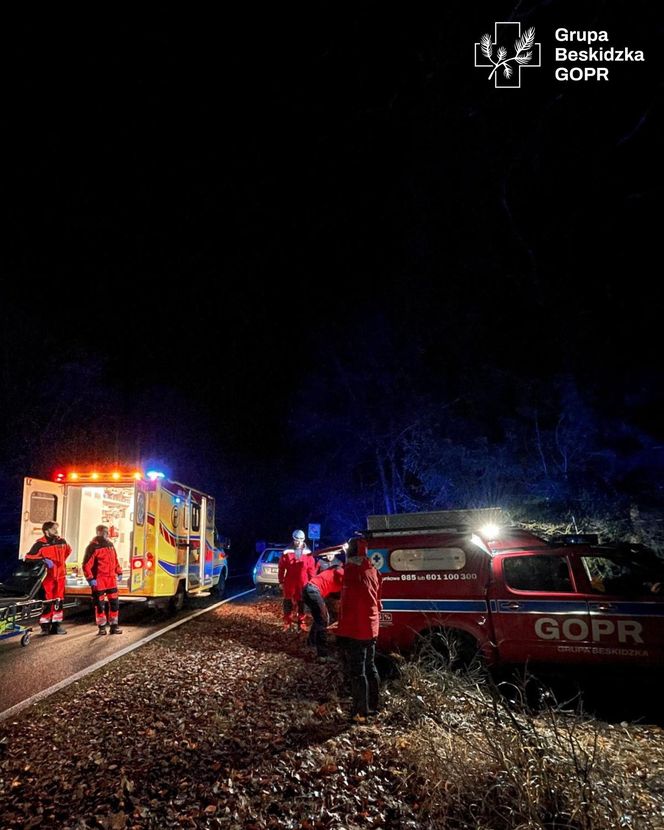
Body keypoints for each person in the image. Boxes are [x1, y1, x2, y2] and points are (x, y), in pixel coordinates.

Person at [335, 537, 382, 722]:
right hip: (371, 627)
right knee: (370, 667)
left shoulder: (351, 571)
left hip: (357, 629)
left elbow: (347, 604)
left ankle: (360, 712)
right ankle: (374, 706)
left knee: (358, 671)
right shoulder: (372, 570)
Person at [24, 521, 72, 635]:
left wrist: (59, 565)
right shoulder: (39, 544)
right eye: (54, 529)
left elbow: (68, 552)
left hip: (60, 577)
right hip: (48, 578)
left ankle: (57, 626)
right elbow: (28, 559)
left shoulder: (62, 541)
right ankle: (45, 627)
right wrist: (43, 560)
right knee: (47, 602)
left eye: (57, 528)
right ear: (46, 531)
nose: (56, 531)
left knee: (58, 601)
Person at [83, 524, 123, 635]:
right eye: (103, 532)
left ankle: (114, 626)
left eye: (107, 532)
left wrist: (119, 571)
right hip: (99, 579)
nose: (106, 534)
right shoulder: (93, 547)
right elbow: (86, 565)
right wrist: (90, 578)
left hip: (111, 579)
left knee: (114, 603)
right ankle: (101, 627)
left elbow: (115, 560)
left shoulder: (110, 545)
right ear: (98, 532)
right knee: (99, 605)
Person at [302, 561, 344, 659]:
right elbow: (338, 570)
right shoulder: (340, 571)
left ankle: (311, 643)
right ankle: (322, 654)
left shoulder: (335, 579)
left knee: (318, 619)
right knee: (323, 620)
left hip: (308, 590)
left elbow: (336, 595)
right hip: (313, 590)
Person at [278, 529, 316, 631]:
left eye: (301, 540)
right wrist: (281, 581)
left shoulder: (308, 553)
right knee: (287, 602)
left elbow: (311, 569)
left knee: (301, 603)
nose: (298, 542)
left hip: (303, 582)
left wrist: (312, 582)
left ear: (304, 540)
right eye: (296, 540)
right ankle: (287, 622)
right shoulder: (287, 552)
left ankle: (301, 622)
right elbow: (281, 568)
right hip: (290, 581)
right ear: (293, 539)